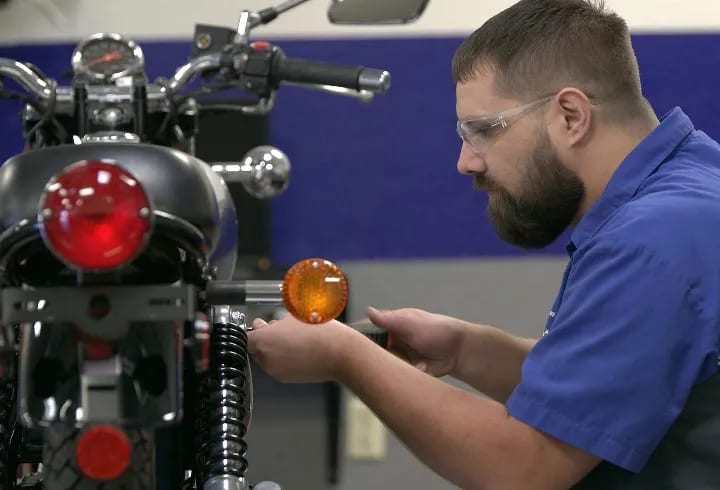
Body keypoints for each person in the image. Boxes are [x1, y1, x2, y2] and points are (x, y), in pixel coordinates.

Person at [247, 0, 720, 489]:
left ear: (571, 116)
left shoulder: (651, 242)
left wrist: (346, 356)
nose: (466, 162)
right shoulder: (693, 187)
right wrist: (468, 350)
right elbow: (613, 388)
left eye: (482, 131)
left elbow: (524, 467)